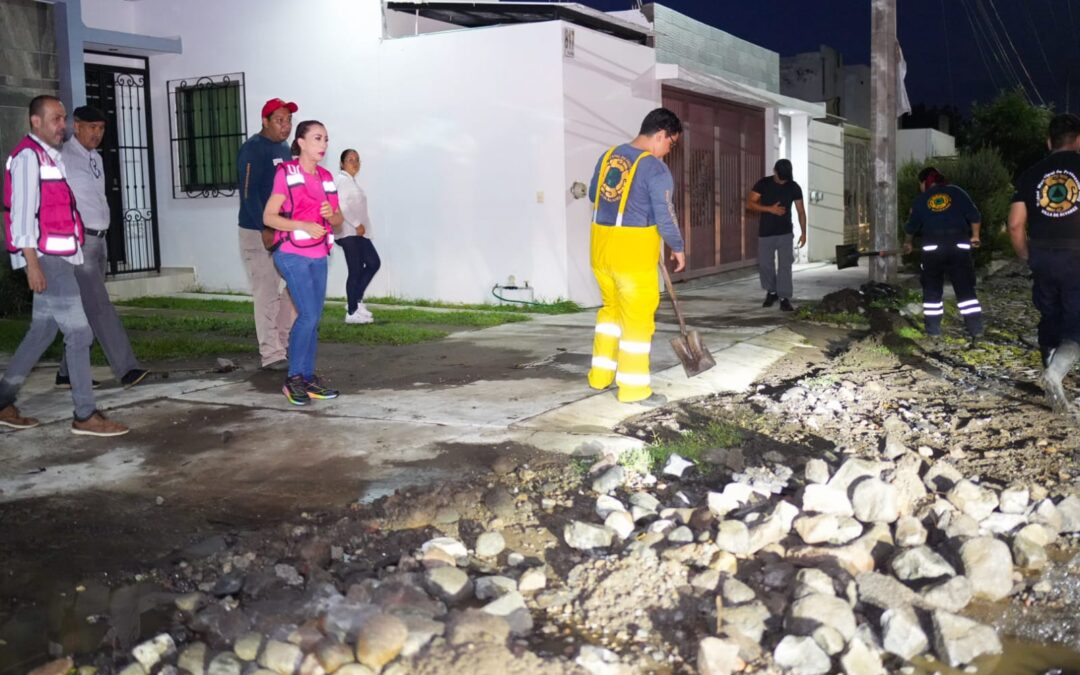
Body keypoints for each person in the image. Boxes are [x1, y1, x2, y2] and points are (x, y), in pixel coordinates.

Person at [0, 95, 128, 436]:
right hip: (46, 260)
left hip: (60, 257)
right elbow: (21, 216)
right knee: (79, 332)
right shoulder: (29, 157)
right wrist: (32, 266)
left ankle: (3, 400)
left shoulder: (50, 158)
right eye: (55, 119)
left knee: (41, 332)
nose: (63, 126)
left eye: (63, 119)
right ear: (36, 122)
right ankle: (85, 414)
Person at [586, 107, 686, 405]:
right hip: (632, 258)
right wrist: (677, 247)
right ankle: (633, 389)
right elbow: (665, 215)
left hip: (601, 251)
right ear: (660, 135)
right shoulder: (655, 169)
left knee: (610, 314)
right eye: (671, 143)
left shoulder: (608, 157)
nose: (669, 151)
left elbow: (594, 194)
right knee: (637, 323)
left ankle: (599, 378)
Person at [55, 105, 149, 389]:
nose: (97, 134)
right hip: (79, 241)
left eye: (101, 128)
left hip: (100, 239)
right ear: (76, 125)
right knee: (99, 306)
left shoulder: (94, 158)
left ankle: (66, 373)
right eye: (92, 127)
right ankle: (127, 368)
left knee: (87, 307)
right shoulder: (62, 157)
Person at [263, 120, 344, 405]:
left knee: (314, 318)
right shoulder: (286, 172)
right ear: (301, 142)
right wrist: (302, 224)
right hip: (291, 253)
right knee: (308, 314)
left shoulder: (326, 177)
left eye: (326, 139)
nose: (323, 145)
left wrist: (330, 215)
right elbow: (268, 217)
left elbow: (338, 219)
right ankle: (294, 379)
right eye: (317, 138)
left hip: (319, 254)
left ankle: (308, 379)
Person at [1007, 113, 1080, 414]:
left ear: (1049, 142)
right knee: (1077, 324)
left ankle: (1051, 373)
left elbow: (1014, 225)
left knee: (1049, 315)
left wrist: (1026, 255)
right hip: (1077, 256)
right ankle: (1055, 374)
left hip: (1042, 256)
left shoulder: (1030, 174)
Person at [237, 97, 298, 371]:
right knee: (267, 292)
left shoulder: (284, 147)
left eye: (288, 120)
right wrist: (266, 228)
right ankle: (271, 354)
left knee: (297, 286)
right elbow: (248, 194)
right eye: (279, 120)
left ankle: (281, 343)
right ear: (265, 121)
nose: (285, 126)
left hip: (284, 230)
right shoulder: (253, 149)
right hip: (258, 231)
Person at [902, 167, 984, 339]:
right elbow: (975, 216)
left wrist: (908, 243)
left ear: (925, 182)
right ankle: (975, 328)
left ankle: (933, 330)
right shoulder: (957, 192)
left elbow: (911, 227)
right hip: (959, 247)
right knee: (965, 289)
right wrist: (975, 236)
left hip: (932, 249)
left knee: (932, 290)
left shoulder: (921, 200)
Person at [747, 159, 806, 312]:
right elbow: (750, 203)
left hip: (785, 233)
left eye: (785, 178)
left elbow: (801, 211)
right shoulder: (763, 183)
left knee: (785, 266)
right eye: (781, 178)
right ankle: (771, 292)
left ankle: (784, 298)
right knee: (766, 265)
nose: (782, 181)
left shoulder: (794, 187)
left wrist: (804, 232)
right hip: (766, 232)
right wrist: (769, 209)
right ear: (775, 171)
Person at [334, 149, 381, 324]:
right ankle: (352, 312)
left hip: (358, 233)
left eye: (357, 160)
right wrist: (355, 223)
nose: (354, 163)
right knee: (355, 269)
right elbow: (340, 203)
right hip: (349, 232)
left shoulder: (351, 181)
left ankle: (355, 301)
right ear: (341, 163)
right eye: (350, 159)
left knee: (373, 263)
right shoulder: (342, 181)